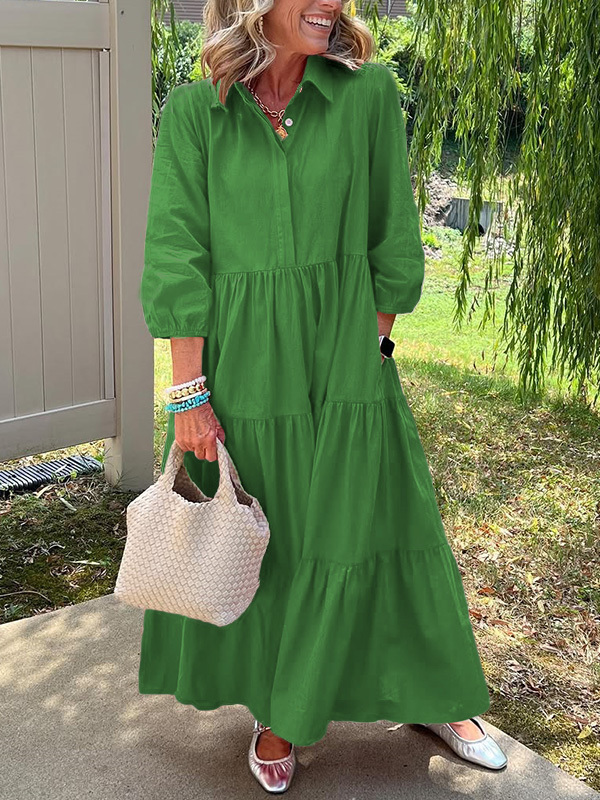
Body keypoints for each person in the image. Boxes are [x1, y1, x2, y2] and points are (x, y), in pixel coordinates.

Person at [137, 0, 509, 792]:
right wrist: (188, 389)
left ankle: (433, 692)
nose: (333, 2)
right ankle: (281, 708)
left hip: (347, 355)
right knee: (282, 536)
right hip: (243, 365)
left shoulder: (366, 93)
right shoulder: (196, 112)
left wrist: (373, 343)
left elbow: (392, 230)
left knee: (381, 519)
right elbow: (176, 248)